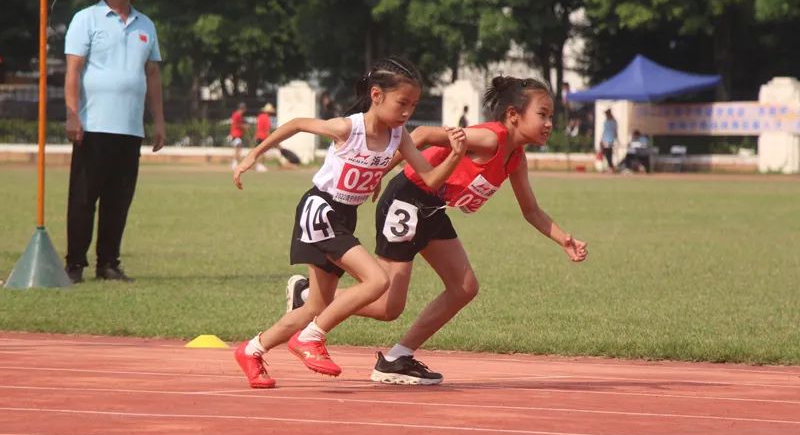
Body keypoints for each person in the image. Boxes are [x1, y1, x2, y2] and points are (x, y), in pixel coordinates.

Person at [287, 75, 588, 385]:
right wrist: (379, 171)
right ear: (513, 115)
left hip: (432, 208)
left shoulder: (516, 158)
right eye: (543, 114)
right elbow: (422, 134)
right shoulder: (490, 139)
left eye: (551, 116)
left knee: (464, 287)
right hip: (407, 199)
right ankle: (309, 295)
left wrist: (564, 239)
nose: (549, 123)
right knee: (389, 306)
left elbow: (531, 210)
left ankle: (396, 358)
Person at [231, 57, 467, 388]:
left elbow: (428, 179)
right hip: (321, 210)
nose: (407, 112)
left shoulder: (398, 136)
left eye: (413, 104)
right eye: (402, 102)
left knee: (316, 304)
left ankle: (251, 350)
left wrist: (455, 155)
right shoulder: (348, 127)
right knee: (377, 281)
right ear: (376, 95)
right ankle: (310, 338)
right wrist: (252, 155)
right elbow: (297, 123)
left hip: (344, 216)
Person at [63, 0, 165, 283]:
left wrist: (159, 121)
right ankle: (75, 264)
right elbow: (73, 71)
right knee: (83, 199)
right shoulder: (86, 20)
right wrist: (72, 115)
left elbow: (152, 75)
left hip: (129, 127)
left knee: (118, 200)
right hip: (93, 126)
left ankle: (108, 262)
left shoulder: (146, 25)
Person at [229, 102, 248, 170]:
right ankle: (235, 163)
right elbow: (236, 124)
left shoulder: (239, 115)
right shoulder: (237, 115)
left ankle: (235, 162)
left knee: (238, 149)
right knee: (238, 149)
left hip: (238, 134)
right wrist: (244, 126)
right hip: (235, 134)